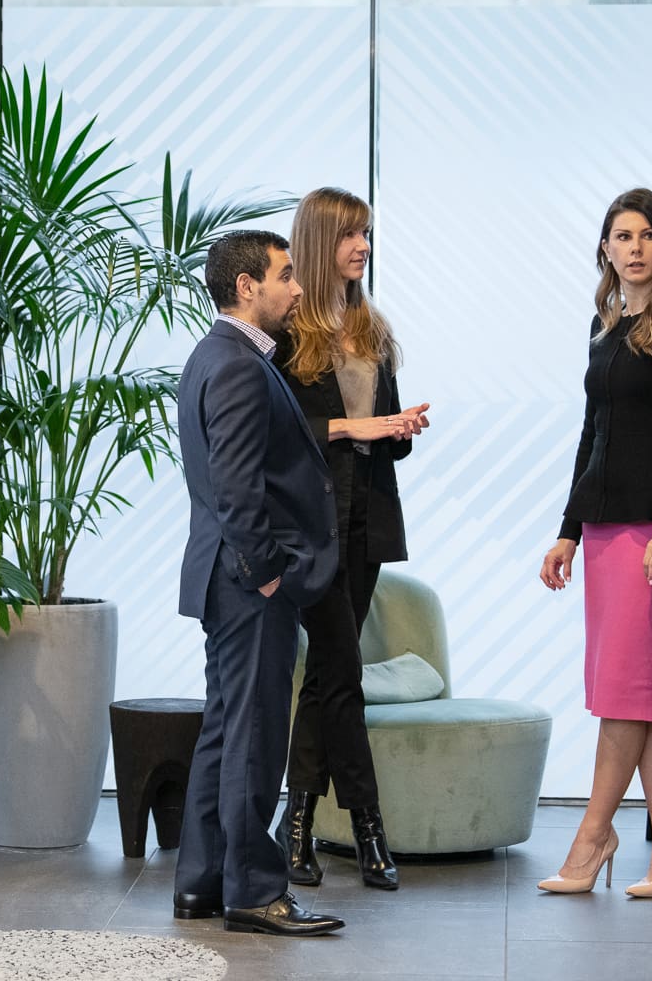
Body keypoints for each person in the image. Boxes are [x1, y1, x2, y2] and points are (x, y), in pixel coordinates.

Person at [537, 188, 652, 897]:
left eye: (646, 235)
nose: (634, 247)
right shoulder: (604, 324)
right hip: (607, 530)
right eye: (621, 236)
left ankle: (593, 835)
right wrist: (567, 531)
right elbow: (593, 433)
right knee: (642, 696)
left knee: (626, 697)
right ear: (605, 248)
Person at [172, 230, 345, 937]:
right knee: (253, 736)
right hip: (248, 582)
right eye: (285, 275)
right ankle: (254, 891)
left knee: (225, 731)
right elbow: (240, 490)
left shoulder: (212, 355)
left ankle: (201, 882)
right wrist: (270, 575)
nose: (297, 288)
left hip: (226, 577)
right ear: (247, 286)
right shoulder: (239, 364)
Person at [270, 187, 431, 891]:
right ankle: (369, 830)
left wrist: (397, 429)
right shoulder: (284, 331)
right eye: (350, 235)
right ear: (319, 242)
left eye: (366, 234)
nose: (363, 246)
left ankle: (296, 827)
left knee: (331, 677)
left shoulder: (369, 326)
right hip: (312, 527)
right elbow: (278, 437)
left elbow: (382, 436)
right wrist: (351, 428)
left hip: (368, 518)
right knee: (341, 673)